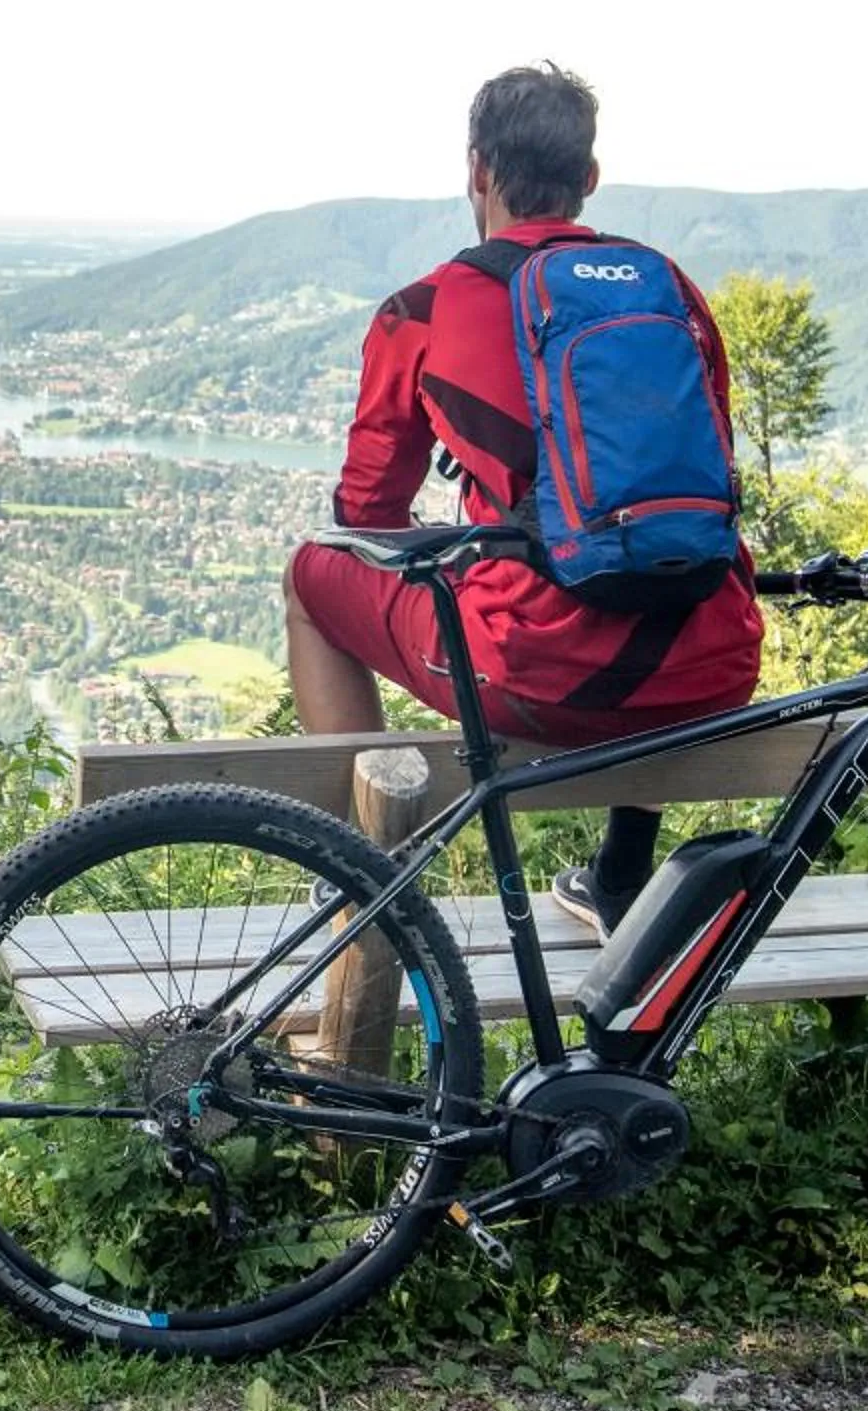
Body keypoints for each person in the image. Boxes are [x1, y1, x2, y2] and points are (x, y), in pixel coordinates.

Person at [281, 64, 764, 937]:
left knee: (311, 580)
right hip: (709, 670)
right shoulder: (670, 292)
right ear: (588, 179)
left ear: (476, 170)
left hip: (538, 677)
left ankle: (363, 874)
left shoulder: (426, 307)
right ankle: (619, 876)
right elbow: (695, 488)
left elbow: (366, 517)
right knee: (641, 552)